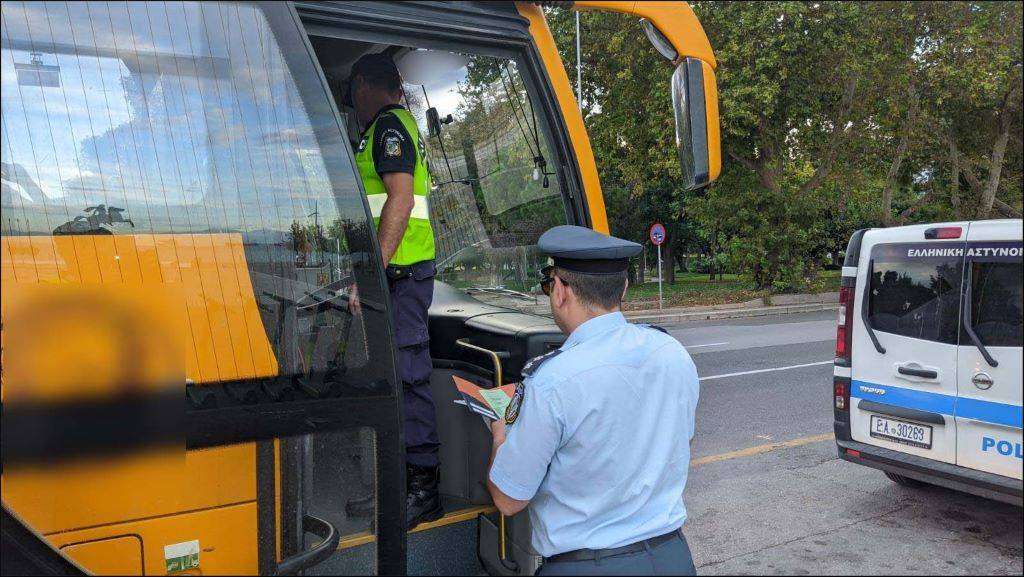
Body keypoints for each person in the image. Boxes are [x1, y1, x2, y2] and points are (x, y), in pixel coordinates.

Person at [486, 225, 700, 575]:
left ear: (560, 291)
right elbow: (680, 441)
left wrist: (500, 436)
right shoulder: (671, 353)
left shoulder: (553, 380)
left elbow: (508, 499)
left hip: (588, 566)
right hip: (671, 558)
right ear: (624, 288)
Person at [345, 52, 442, 529]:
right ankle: (394, 484)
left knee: (408, 378)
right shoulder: (386, 129)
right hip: (395, 274)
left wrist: (373, 274)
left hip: (401, 276)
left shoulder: (389, 128)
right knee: (387, 380)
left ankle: (423, 488)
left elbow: (400, 199)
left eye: (351, 91)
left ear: (363, 84)